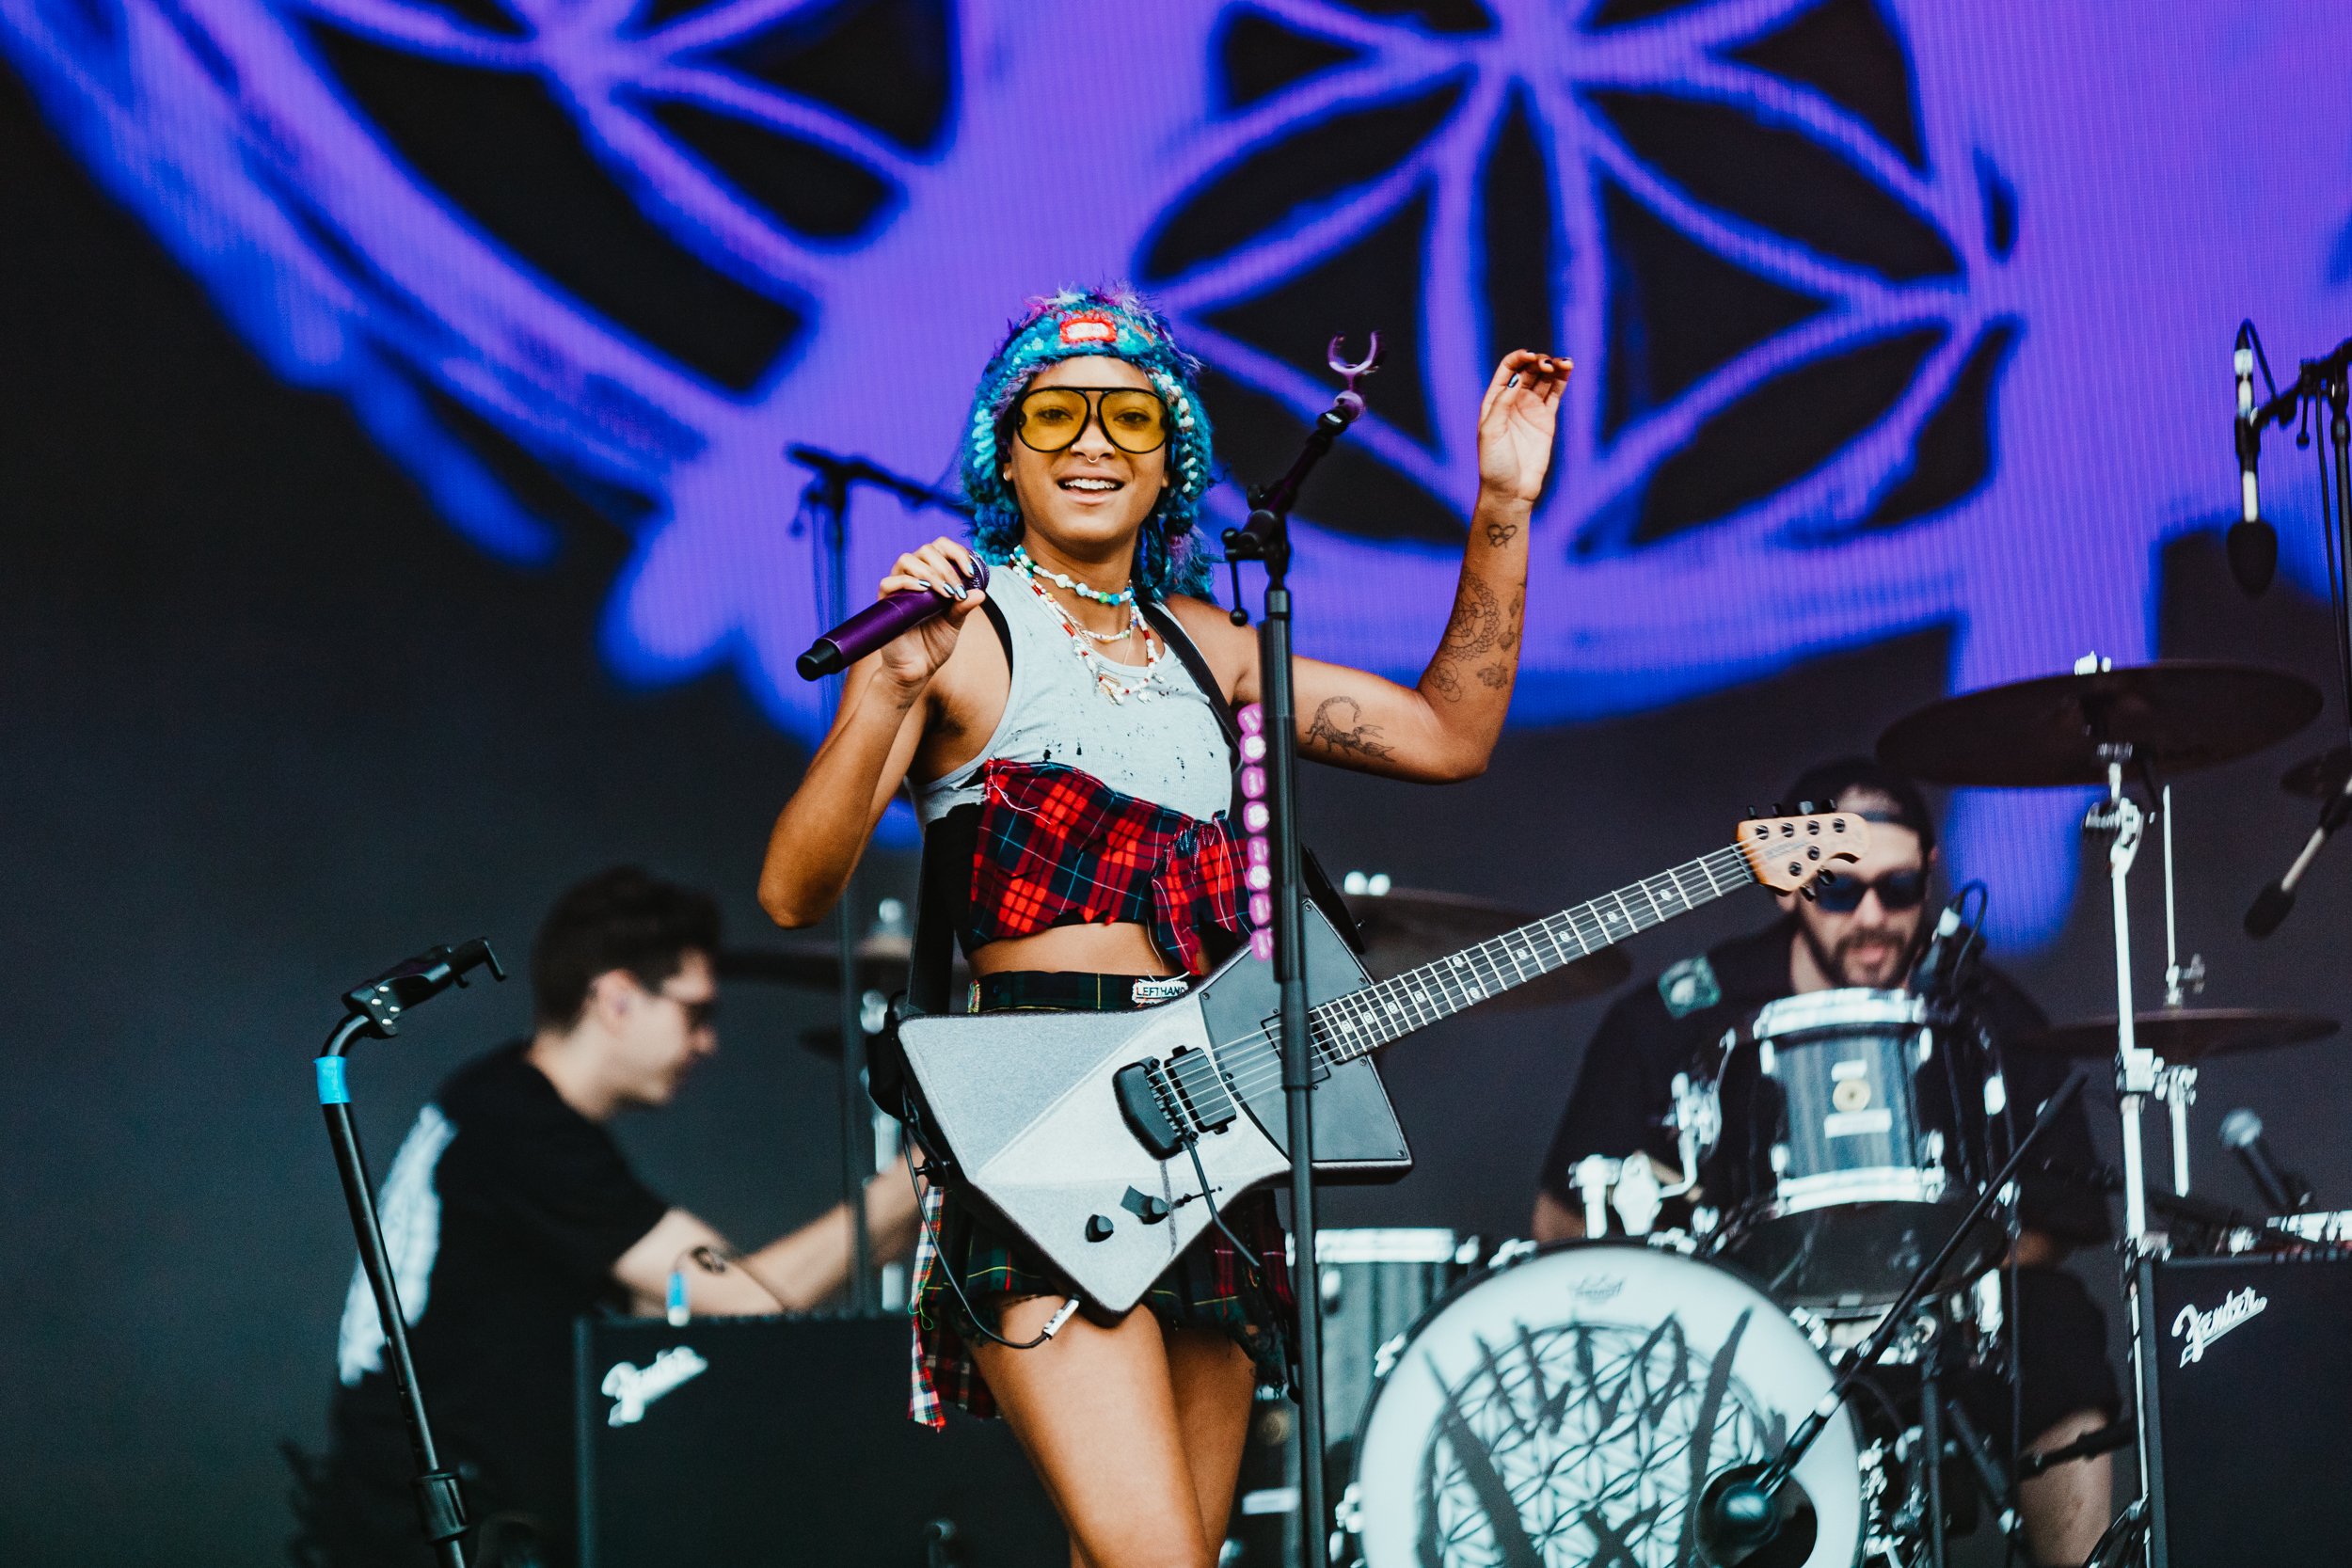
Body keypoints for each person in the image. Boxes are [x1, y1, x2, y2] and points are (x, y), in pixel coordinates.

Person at [757, 285, 1565, 1568]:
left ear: (1171, 457)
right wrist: (888, 689)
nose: (1091, 441)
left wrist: (1502, 505)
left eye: (1127, 417)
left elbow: (1449, 735)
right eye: (1055, 416)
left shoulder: (1212, 646)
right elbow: (793, 891)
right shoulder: (953, 635)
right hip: (1039, 1113)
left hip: (1207, 1112)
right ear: (1005, 452)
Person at [1531, 758, 2120, 1568]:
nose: (1872, 916)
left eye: (1898, 888)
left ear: (1931, 874)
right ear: (1787, 886)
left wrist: (1934, 1280)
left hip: (1935, 1315)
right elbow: (1558, 1222)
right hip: (1741, 1326)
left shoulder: (1986, 1013)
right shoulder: (1677, 1016)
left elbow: (2063, 1214)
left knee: (2057, 1326)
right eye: (1840, 890)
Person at [294, 866, 921, 1568]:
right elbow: (747, 1299)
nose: (708, 1043)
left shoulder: (499, 1100)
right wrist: (926, 1166)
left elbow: (678, 1300)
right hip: (434, 1536)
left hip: (428, 1512)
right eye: (695, 1012)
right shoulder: (518, 1127)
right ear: (617, 998)